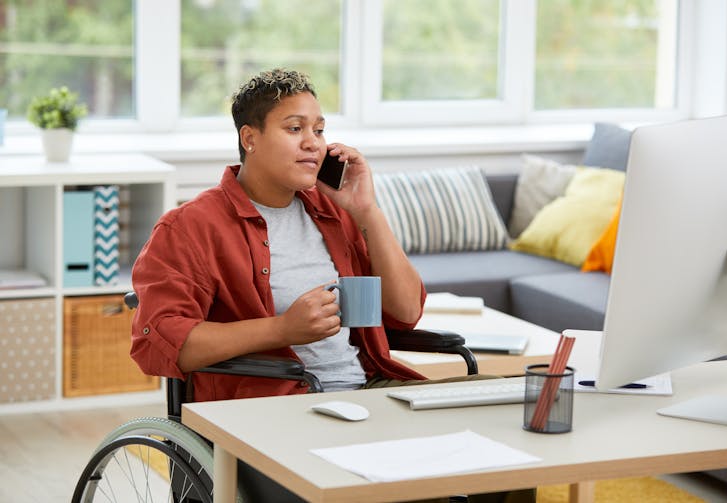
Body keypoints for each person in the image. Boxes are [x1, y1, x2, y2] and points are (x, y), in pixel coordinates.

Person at [130, 68, 534, 503]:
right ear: (250, 138)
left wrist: (368, 211)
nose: (313, 142)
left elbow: (404, 311)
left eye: (320, 130)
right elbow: (160, 344)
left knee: (508, 416)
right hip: (272, 408)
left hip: (368, 393)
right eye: (294, 128)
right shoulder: (190, 226)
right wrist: (282, 330)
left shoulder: (331, 212)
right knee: (426, 486)